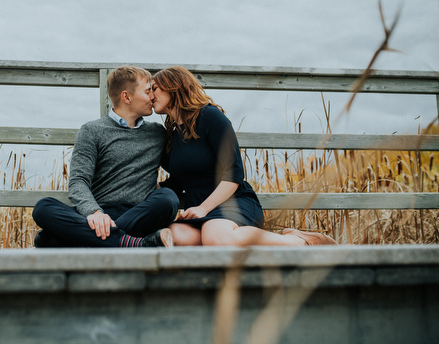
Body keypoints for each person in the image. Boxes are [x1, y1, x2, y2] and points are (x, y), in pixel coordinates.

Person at [152, 66, 337, 247]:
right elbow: (178, 182)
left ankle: (298, 241)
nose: (150, 96)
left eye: (154, 89)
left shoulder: (210, 116)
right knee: (177, 236)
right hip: (200, 211)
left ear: (174, 88)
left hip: (232, 202)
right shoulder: (173, 134)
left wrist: (203, 208)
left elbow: (234, 173)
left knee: (215, 237)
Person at [32, 66, 178, 248]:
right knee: (43, 208)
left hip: (139, 214)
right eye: (148, 91)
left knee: (167, 199)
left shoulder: (157, 133)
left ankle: (84, 239)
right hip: (99, 216)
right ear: (127, 97)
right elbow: (78, 181)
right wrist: (95, 212)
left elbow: (182, 168)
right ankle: (132, 243)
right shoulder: (92, 131)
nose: (153, 97)